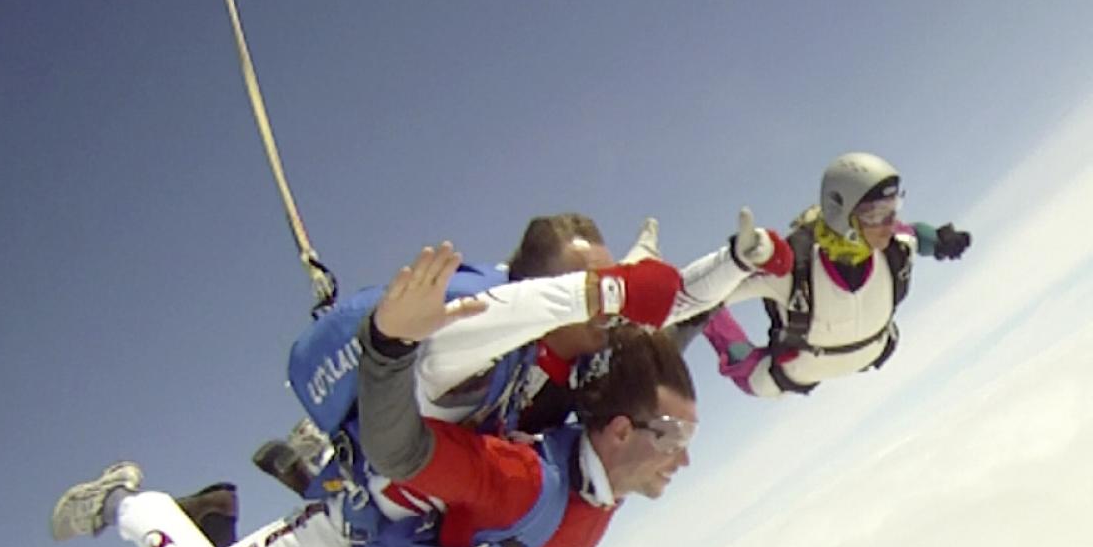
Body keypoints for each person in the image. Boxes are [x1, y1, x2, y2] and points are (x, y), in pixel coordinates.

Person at [51, 243, 698, 547]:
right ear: (620, 431)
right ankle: (131, 503)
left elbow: (662, 347)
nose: (684, 456)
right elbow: (402, 450)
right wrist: (390, 345)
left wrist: (738, 268)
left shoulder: (590, 422)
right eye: (674, 439)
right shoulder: (526, 476)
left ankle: (249, 497)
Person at [254, 210, 786, 492]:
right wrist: (610, 289)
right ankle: (302, 463)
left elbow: (671, 305)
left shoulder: (577, 342)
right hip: (399, 457)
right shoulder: (473, 346)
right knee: (359, 511)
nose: (606, 309)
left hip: (498, 433)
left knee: (650, 349)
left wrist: (739, 260)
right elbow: (528, 309)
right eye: (590, 286)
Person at [692, 152, 972, 397]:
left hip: (869, 349)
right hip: (801, 368)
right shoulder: (789, 269)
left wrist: (940, 240)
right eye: (875, 214)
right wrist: (675, 299)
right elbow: (710, 294)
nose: (888, 223)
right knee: (752, 373)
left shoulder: (896, 247)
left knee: (709, 313)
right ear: (843, 214)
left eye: (893, 208)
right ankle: (708, 326)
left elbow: (914, 234)